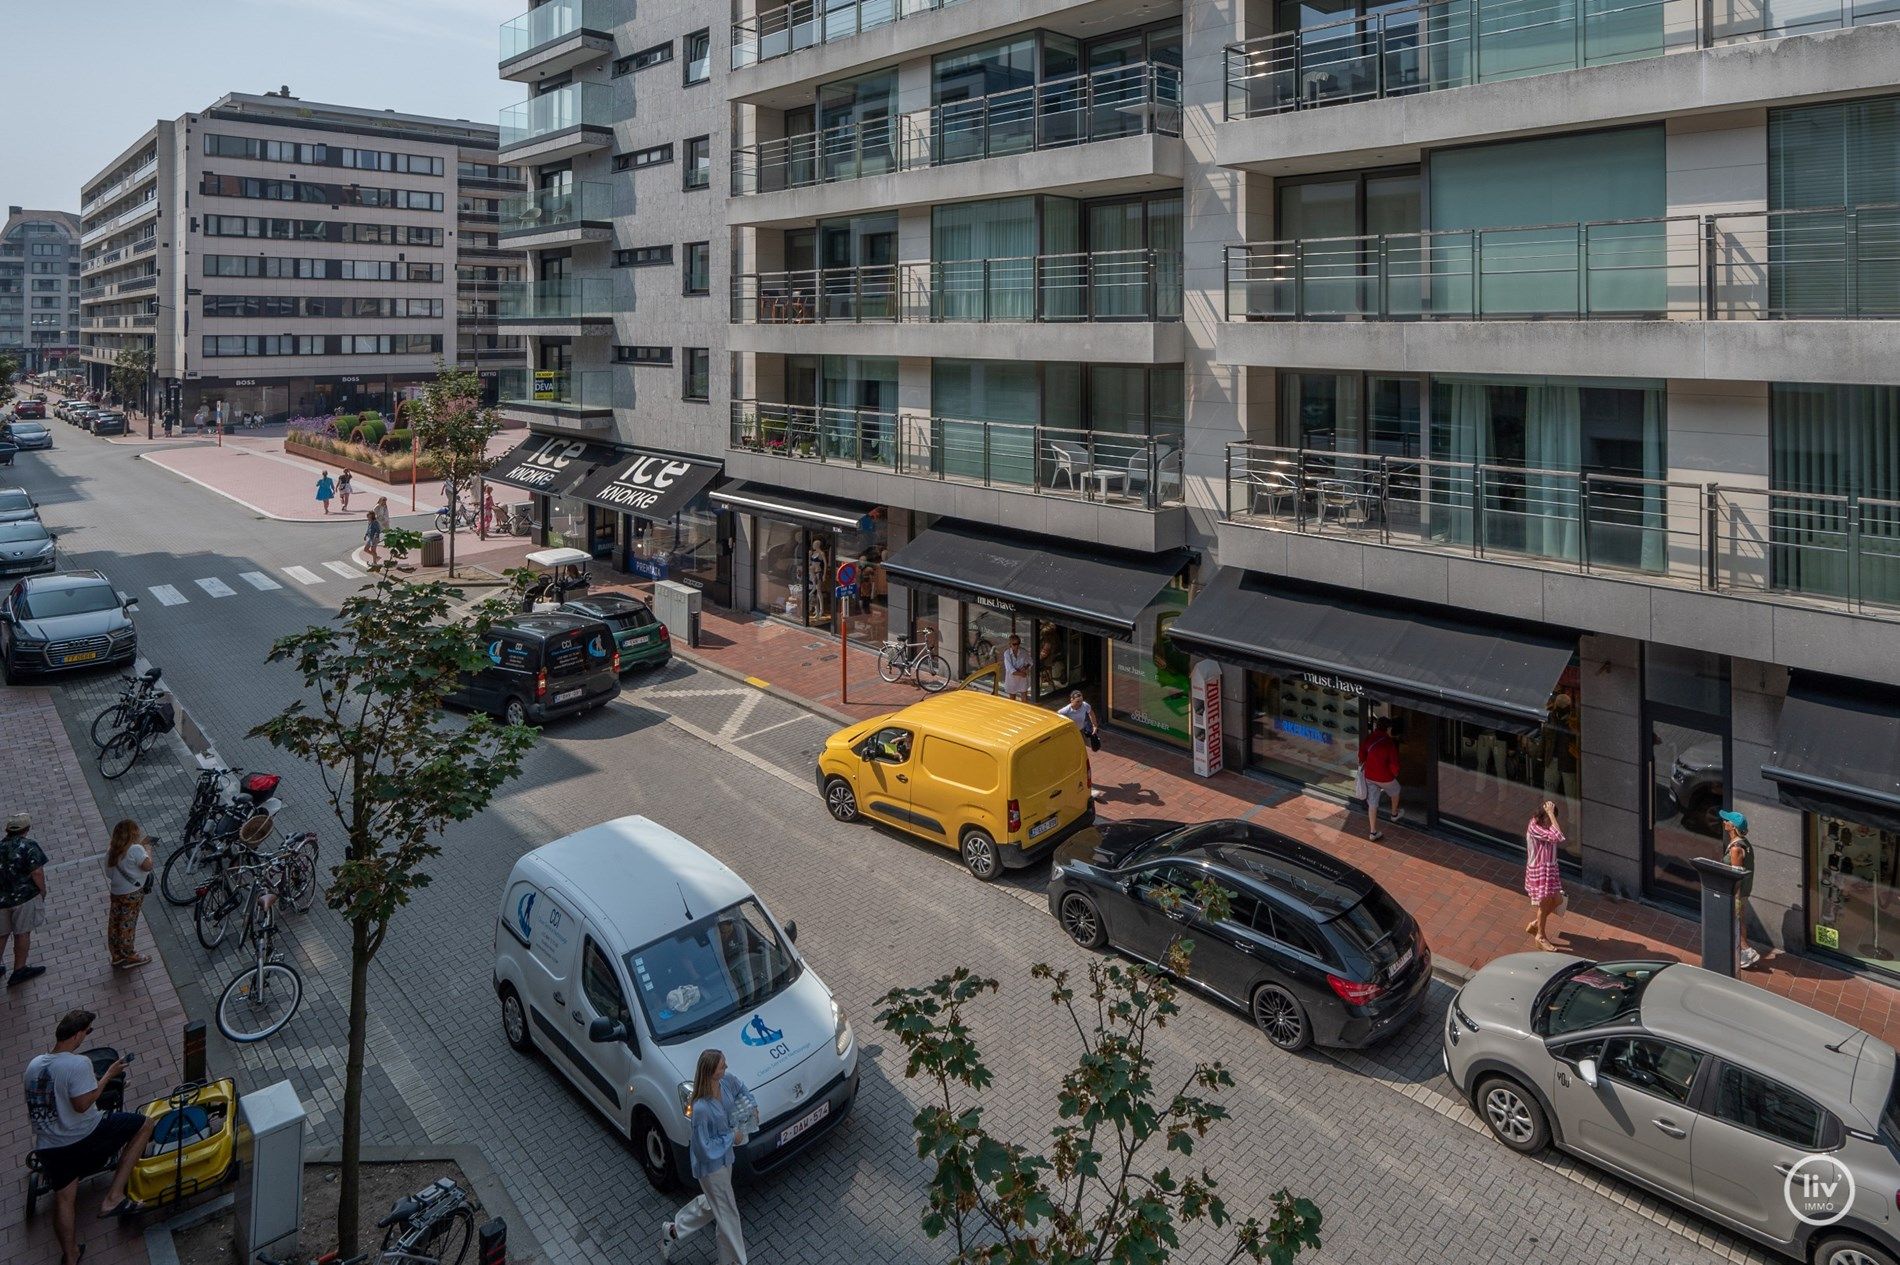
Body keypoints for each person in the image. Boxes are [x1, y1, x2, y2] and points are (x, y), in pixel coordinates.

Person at [25, 1009, 159, 1265]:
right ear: (77, 1035)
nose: (86, 1037)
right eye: (87, 1032)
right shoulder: (78, 1064)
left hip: (48, 1146)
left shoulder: (34, 1065)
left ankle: (71, 1254)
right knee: (145, 1124)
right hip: (84, 1137)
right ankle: (113, 1197)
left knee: (64, 1199)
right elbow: (83, 1104)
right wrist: (108, 1076)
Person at [660, 1048, 752, 1263]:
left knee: (714, 1206)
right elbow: (703, 1148)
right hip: (711, 1168)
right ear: (711, 1072)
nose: (726, 1067)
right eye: (722, 1066)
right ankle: (737, 1261)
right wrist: (731, 1137)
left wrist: (752, 1106)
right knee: (728, 1213)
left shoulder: (725, 1082)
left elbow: (741, 1089)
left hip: (725, 1159)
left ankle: (673, 1231)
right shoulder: (700, 1109)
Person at [1, 812, 49, 987]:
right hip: (23, 898)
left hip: (1, 900)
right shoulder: (29, 846)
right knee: (22, 933)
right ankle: (19, 969)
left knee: (2, 934)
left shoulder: (1, 847)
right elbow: (36, 872)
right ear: (26, 829)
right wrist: (42, 891)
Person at [103, 821, 153, 970]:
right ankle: (129, 954)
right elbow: (148, 866)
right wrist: (148, 850)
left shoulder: (111, 850)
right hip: (132, 893)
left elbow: (109, 873)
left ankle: (116, 955)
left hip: (116, 892)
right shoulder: (136, 849)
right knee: (128, 923)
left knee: (115, 922)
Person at [1524, 801, 1565, 951]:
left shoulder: (1543, 825)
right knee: (1544, 903)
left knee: (1558, 900)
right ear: (1543, 816)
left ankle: (1536, 924)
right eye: (1549, 817)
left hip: (1550, 867)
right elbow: (1558, 836)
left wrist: (1551, 816)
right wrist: (1551, 814)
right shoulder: (1534, 826)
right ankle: (1540, 936)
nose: (1551, 821)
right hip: (1540, 870)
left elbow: (1556, 834)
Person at [1721, 811, 1760, 969]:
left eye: (1727, 821)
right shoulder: (1744, 842)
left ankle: (1746, 950)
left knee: (1737, 920)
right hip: (1743, 890)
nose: (1724, 822)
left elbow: (1735, 874)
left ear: (1732, 826)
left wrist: (1734, 897)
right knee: (1740, 919)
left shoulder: (1736, 848)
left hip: (1737, 891)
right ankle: (1745, 951)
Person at [1356, 717, 1402, 841]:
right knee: (1396, 789)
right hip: (1384, 776)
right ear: (1388, 728)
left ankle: (1373, 832)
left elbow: (1361, 755)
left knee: (1372, 803)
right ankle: (1394, 814)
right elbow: (1394, 764)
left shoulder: (1370, 738)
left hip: (1370, 776)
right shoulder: (1388, 743)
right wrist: (1395, 773)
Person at [1057, 690, 1107, 801]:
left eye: (1081, 701)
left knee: (1082, 752)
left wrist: (1094, 725)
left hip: (1080, 731)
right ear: (1071, 700)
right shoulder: (1065, 711)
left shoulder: (1084, 706)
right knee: (1073, 753)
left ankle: (1080, 770)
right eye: (1077, 701)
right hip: (1070, 734)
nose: (1080, 704)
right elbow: (1056, 719)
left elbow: (1091, 712)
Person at [1001, 634, 1032, 702]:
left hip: (1022, 679)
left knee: (1024, 699)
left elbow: (1030, 662)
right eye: (1014, 644)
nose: (1017, 646)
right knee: (1012, 700)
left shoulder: (1023, 652)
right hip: (1012, 679)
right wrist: (1021, 674)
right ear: (1010, 644)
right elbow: (1010, 669)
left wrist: (1025, 667)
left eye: (1018, 643)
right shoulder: (1007, 653)